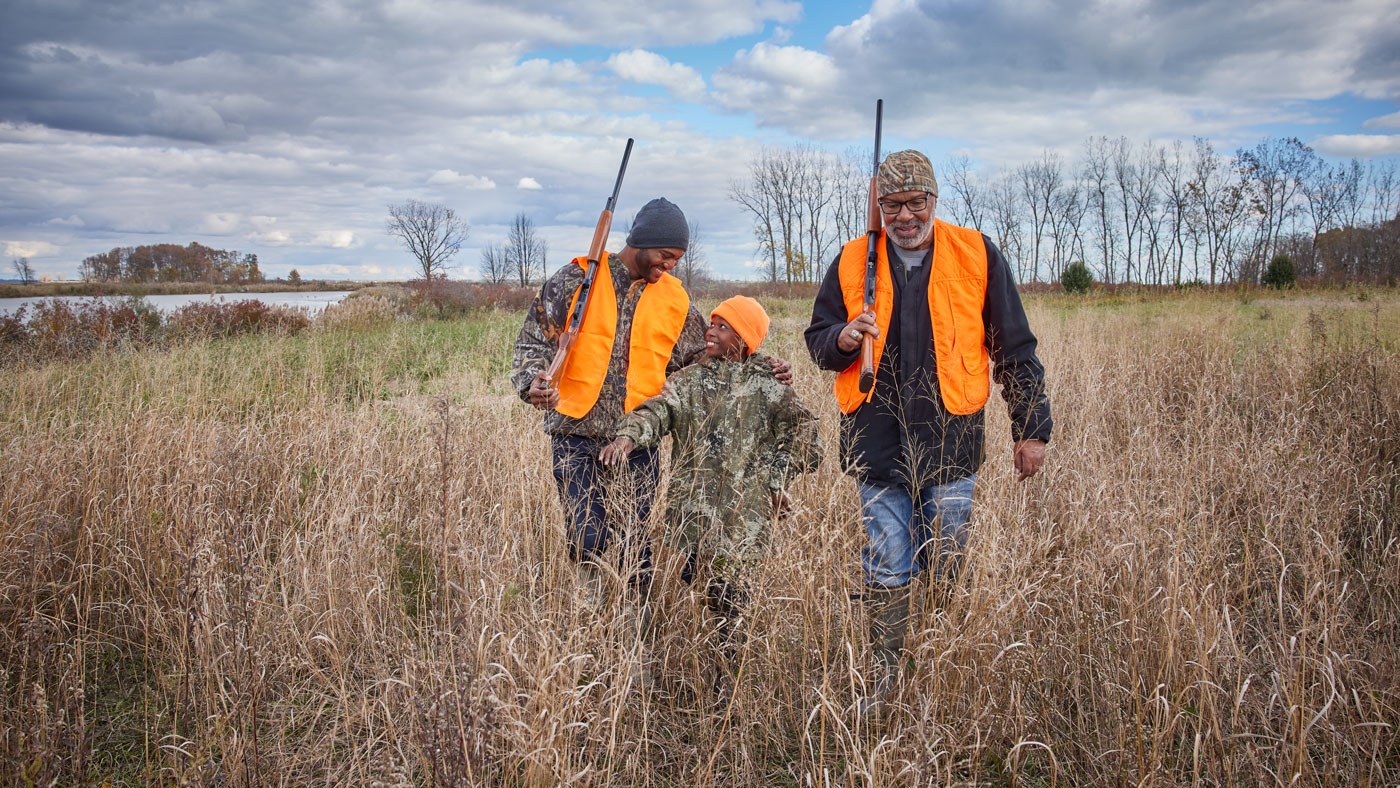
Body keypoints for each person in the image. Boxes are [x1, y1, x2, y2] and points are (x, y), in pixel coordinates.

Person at [804, 150, 1052, 714]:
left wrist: (1031, 427)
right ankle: (888, 679)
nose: (905, 216)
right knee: (887, 557)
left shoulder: (976, 253)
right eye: (892, 205)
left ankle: (938, 667)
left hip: (951, 436)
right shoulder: (851, 260)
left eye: (916, 202)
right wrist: (844, 337)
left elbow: (1014, 346)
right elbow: (817, 338)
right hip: (876, 437)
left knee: (945, 554)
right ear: (880, 207)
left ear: (935, 201)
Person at [511, 199, 791, 635]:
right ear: (640, 241)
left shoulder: (676, 299)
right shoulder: (574, 280)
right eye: (665, 256)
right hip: (575, 433)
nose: (668, 267)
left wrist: (761, 365)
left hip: (638, 440)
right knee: (586, 536)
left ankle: (632, 638)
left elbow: (709, 356)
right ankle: (591, 626)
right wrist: (534, 383)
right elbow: (531, 345)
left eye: (676, 260)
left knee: (634, 545)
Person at [600, 295, 821, 699]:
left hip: (745, 516)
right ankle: (697, 673)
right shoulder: (690, 380)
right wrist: (628, 436)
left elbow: (807, 437)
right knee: (704, 590)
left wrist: (774, 478)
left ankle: (726, 686)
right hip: (694, 514)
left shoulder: (770, 385)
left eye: (723, 326)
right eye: (712, 322)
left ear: (745, 338)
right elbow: (657, 410)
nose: (710, 330)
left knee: (733, 601)